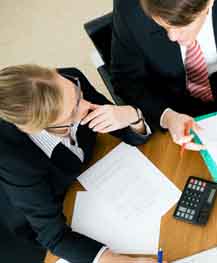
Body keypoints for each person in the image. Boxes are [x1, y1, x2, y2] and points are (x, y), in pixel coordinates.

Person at [0, 65, 162, 263]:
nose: (86, 105)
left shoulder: (70, 81)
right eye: (72, 112)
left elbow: (125, 131)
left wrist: (132, 115)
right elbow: (54, 236)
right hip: (46, 210)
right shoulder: (11, 158)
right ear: (39, 127)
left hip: (95, 180)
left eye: (78, 94)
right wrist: (120, 261)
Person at [111, 0, 217, 147]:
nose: (172, 36)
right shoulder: (130, 8)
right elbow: (125, 80)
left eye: (182, 26)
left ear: (209, 3)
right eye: (164, 26)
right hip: (167, 105)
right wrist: (167, 117)